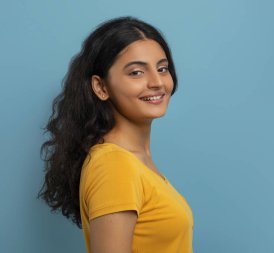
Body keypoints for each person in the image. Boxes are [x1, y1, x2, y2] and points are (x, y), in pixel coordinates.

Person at [38, 16, 194, 253]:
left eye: (162, 68)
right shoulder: (114, 164)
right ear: (101, 87)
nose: (157, 82)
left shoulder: (133, 161)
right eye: (136, 72)